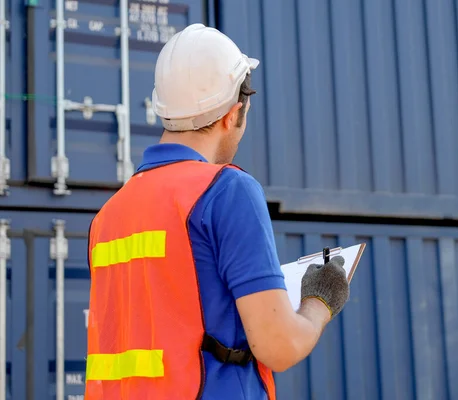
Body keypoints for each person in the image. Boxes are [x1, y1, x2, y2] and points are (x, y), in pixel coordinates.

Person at [84, 24, 350, 400]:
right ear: (233, 114)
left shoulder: (108, 215)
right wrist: (320, 300)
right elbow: (279, 346)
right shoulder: (227, 191)